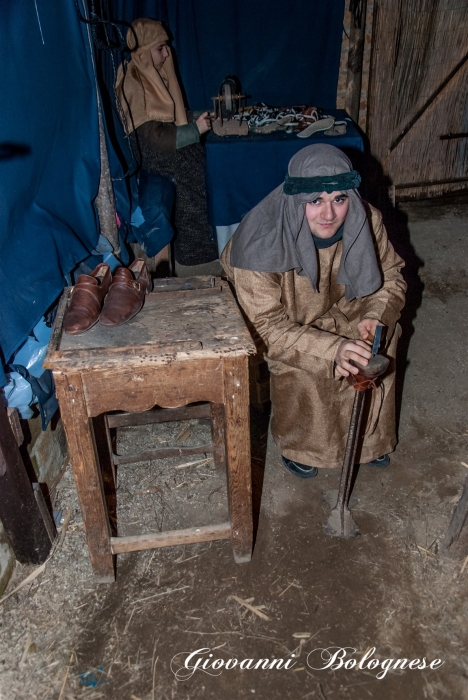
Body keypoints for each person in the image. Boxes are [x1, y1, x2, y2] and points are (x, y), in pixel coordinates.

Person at [221, 144, 406, 478]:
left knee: (383, 341)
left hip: (346, 306)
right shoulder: (258, 244)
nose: (329, 214)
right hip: (286, 324)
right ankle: (303, 446)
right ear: (295, 199)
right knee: (310, 365)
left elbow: (391, 278)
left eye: (338, 198)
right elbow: (266, 328)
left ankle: (368, 441)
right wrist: (331, 348)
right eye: (315, 201)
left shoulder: (367, 220)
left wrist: (375, 316)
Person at [115, 18, 220, 275]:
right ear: (144, 51)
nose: (167, 53)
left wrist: (195, 122)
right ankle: (195, 256)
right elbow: (151, 136)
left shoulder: (156, 75)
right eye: (160, 48)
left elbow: (172, 116)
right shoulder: (134, 82)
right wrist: (194, 130)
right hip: (150, 154)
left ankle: (203, 248)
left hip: (162, 147)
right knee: (191, 171)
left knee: (200, 160)